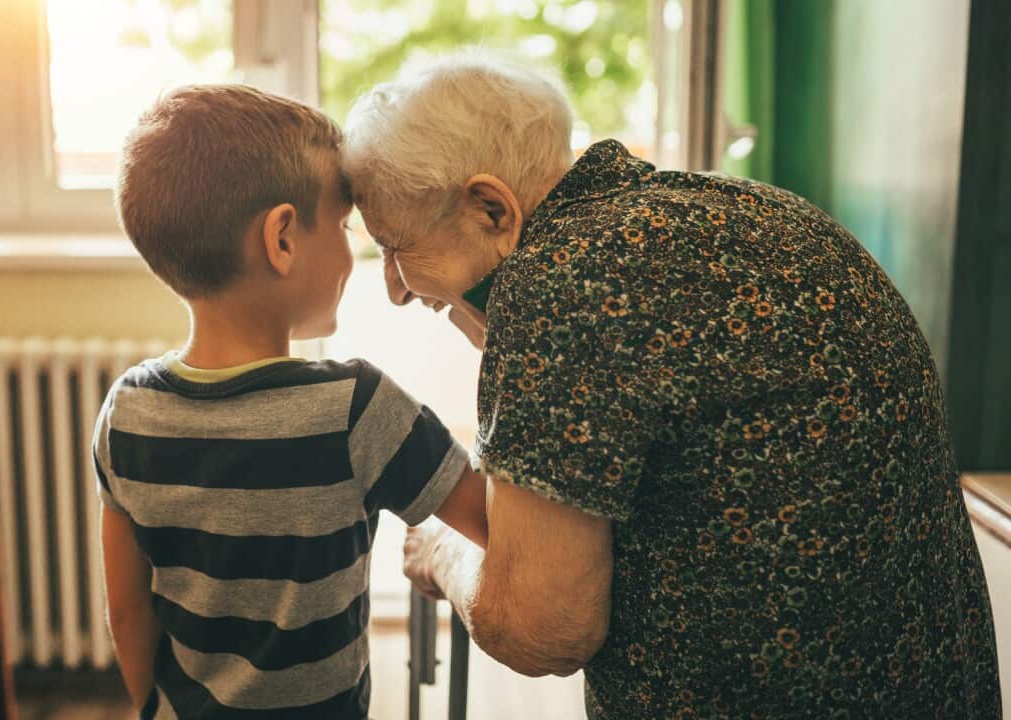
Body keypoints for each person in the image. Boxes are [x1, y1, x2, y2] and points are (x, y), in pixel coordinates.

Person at [342, 56, 1002, 718]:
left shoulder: (559, 282)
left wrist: (447, 555)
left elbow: (541, 628)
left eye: (396, 247)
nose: (396, 288)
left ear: (492, 209)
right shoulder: (745, 206)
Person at [92, 84, 487, 720]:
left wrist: (154, 708)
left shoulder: (128, 413)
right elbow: (496, 522)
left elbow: (127, 606)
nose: (355, 252)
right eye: (342, 223)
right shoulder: (357, 408)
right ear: (282, 238)